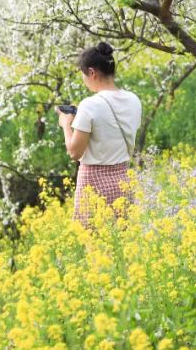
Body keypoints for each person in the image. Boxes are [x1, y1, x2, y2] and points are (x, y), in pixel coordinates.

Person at [57, 42, 143, 225]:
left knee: (92, 244)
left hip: (94, 184)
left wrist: (66, 124)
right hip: (122, 180)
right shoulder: (134, 100)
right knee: (120, 242)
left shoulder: (90, 105)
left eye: (83, 75)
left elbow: (75, 152)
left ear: (92, 72)